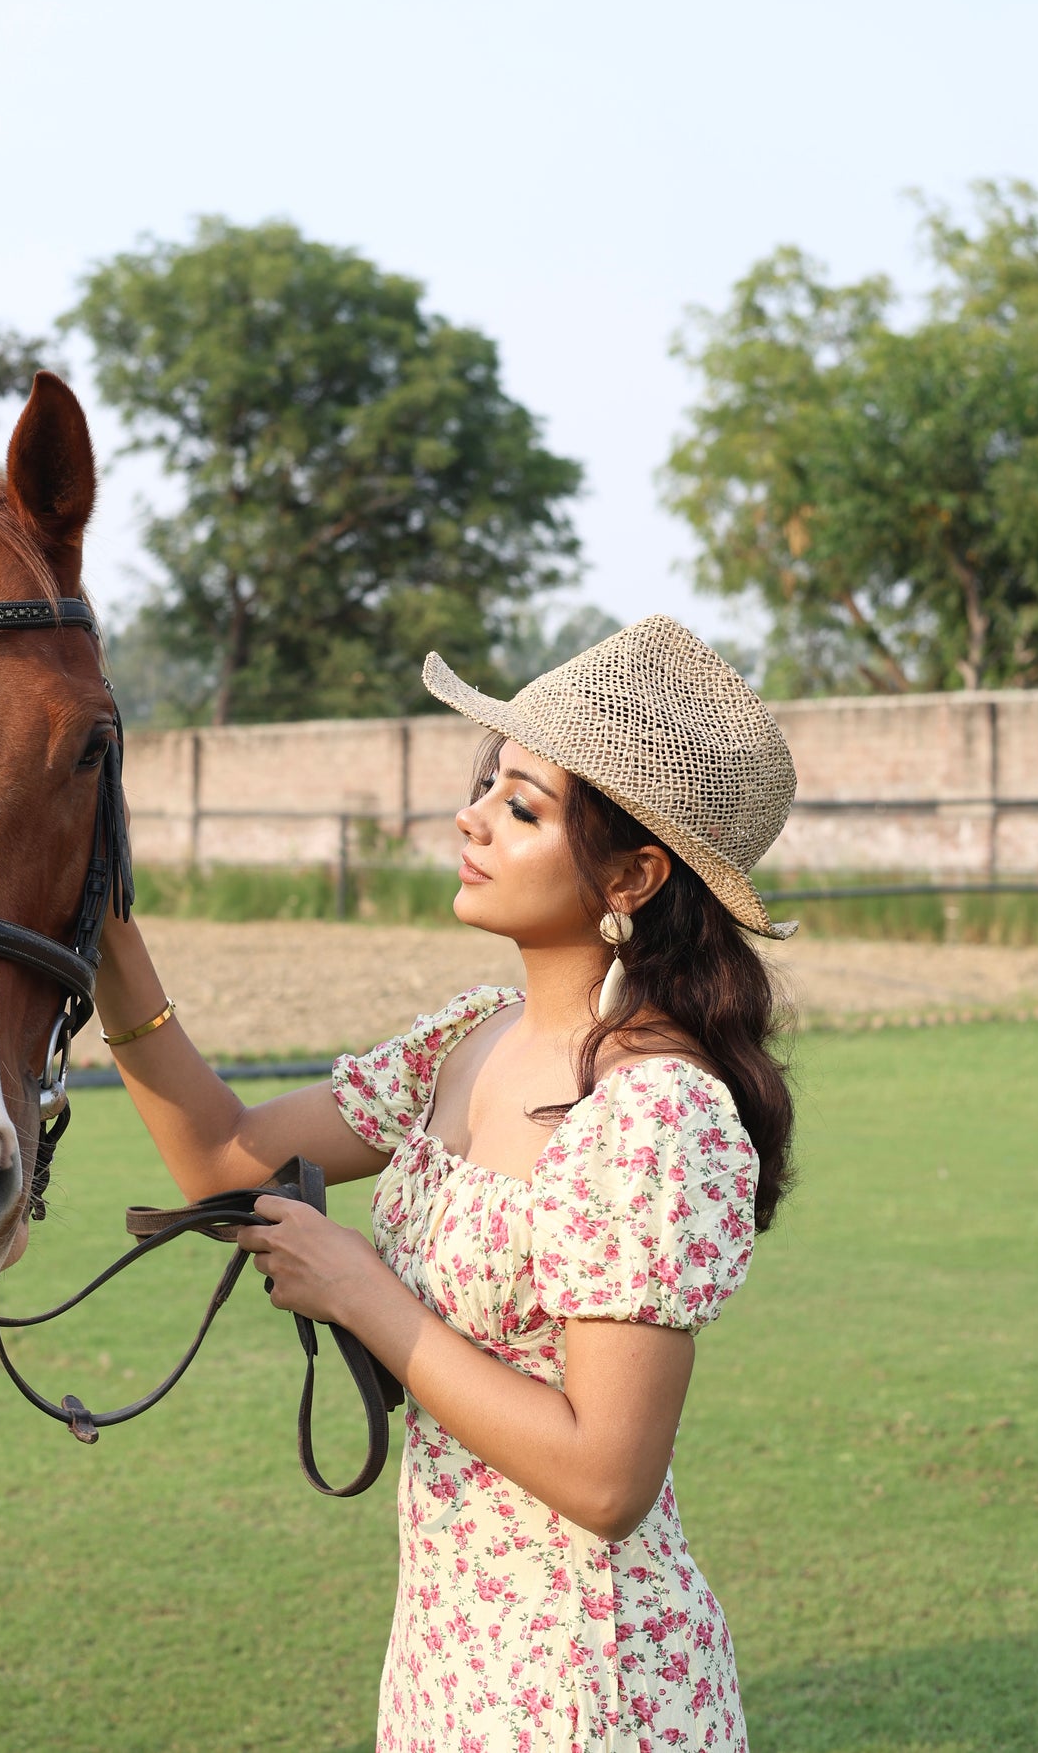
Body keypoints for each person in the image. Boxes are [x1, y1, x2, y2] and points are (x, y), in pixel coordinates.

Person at [95, 614, 798, 1753]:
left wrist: (361, 1291)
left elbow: (607, 1476)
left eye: (521, 806)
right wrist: (110, 944)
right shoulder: (463, 1040)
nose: (469, 818)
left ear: (631, 871)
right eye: (488, 785)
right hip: (445, 1652)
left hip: (585, 1684)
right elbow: (222, 1154)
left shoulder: (655, 1113)